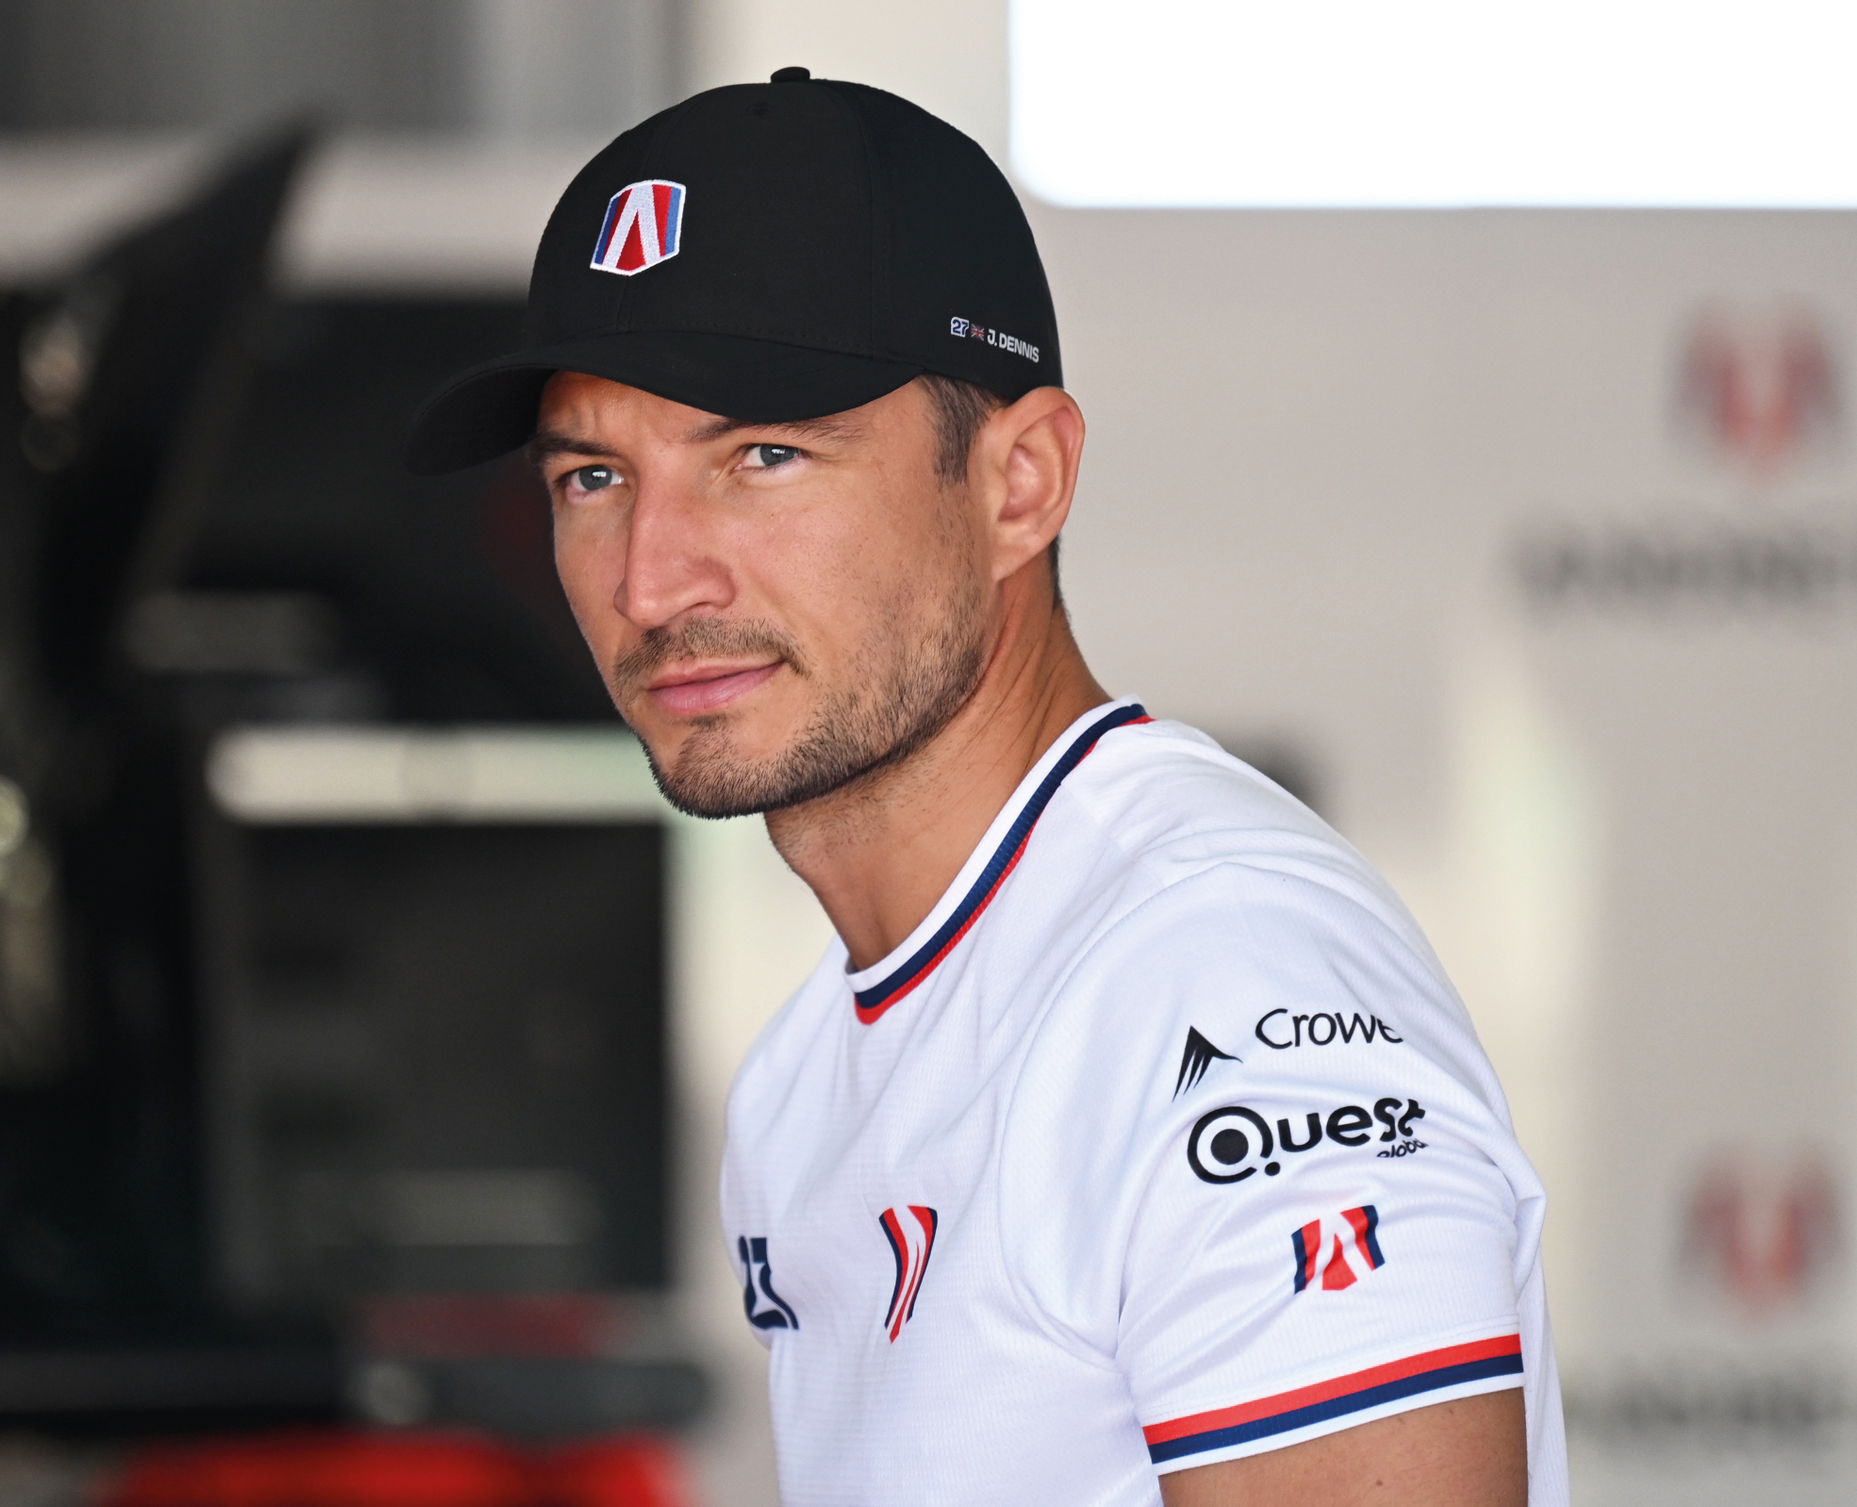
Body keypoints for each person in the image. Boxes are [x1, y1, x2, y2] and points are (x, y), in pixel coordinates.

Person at [406, 69, 1567, 1507]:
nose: (652, 581)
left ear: (1020, 484)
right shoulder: (805, 1076)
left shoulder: (1216, 981)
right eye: (592, 478)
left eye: (763, 455)